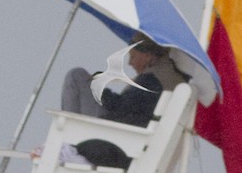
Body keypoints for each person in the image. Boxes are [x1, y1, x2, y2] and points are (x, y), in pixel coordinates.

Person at [60, 32, 188, 127]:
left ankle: (66, 133)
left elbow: (121, 108)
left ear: (148, 56)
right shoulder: (168, 76)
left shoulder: (151, 80)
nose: (129, 63)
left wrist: (99, 89)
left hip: (110, 132)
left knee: (76, 75)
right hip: (125, 131)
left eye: (132, 57)